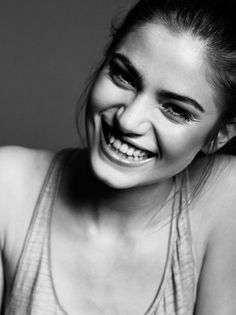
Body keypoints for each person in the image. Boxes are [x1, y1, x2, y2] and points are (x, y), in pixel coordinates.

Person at [1, 0, 236, 313]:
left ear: (219, 135)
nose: (127, 121)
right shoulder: (9, 186)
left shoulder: (224, 198)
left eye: (175, 110)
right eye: (124, 76)